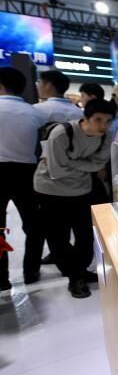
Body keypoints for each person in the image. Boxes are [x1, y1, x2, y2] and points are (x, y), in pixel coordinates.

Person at [34, 99, 115, 298]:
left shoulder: (106, 136)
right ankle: (75, 277)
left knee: (85, 235)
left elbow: (98, 164)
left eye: (108, 121)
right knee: (58, 237)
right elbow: (56, 171)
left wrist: (71, 162)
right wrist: (85, 165)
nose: (103, 125)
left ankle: (79, 271)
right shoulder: (62, 133)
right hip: (51, 190)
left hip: (82, 190)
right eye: (98, 120)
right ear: (85, 118)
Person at [0, 68, 49, 290]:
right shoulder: (35, 113)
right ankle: (31, 271)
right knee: (34, 226)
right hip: (27, 173)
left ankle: (1, 279)